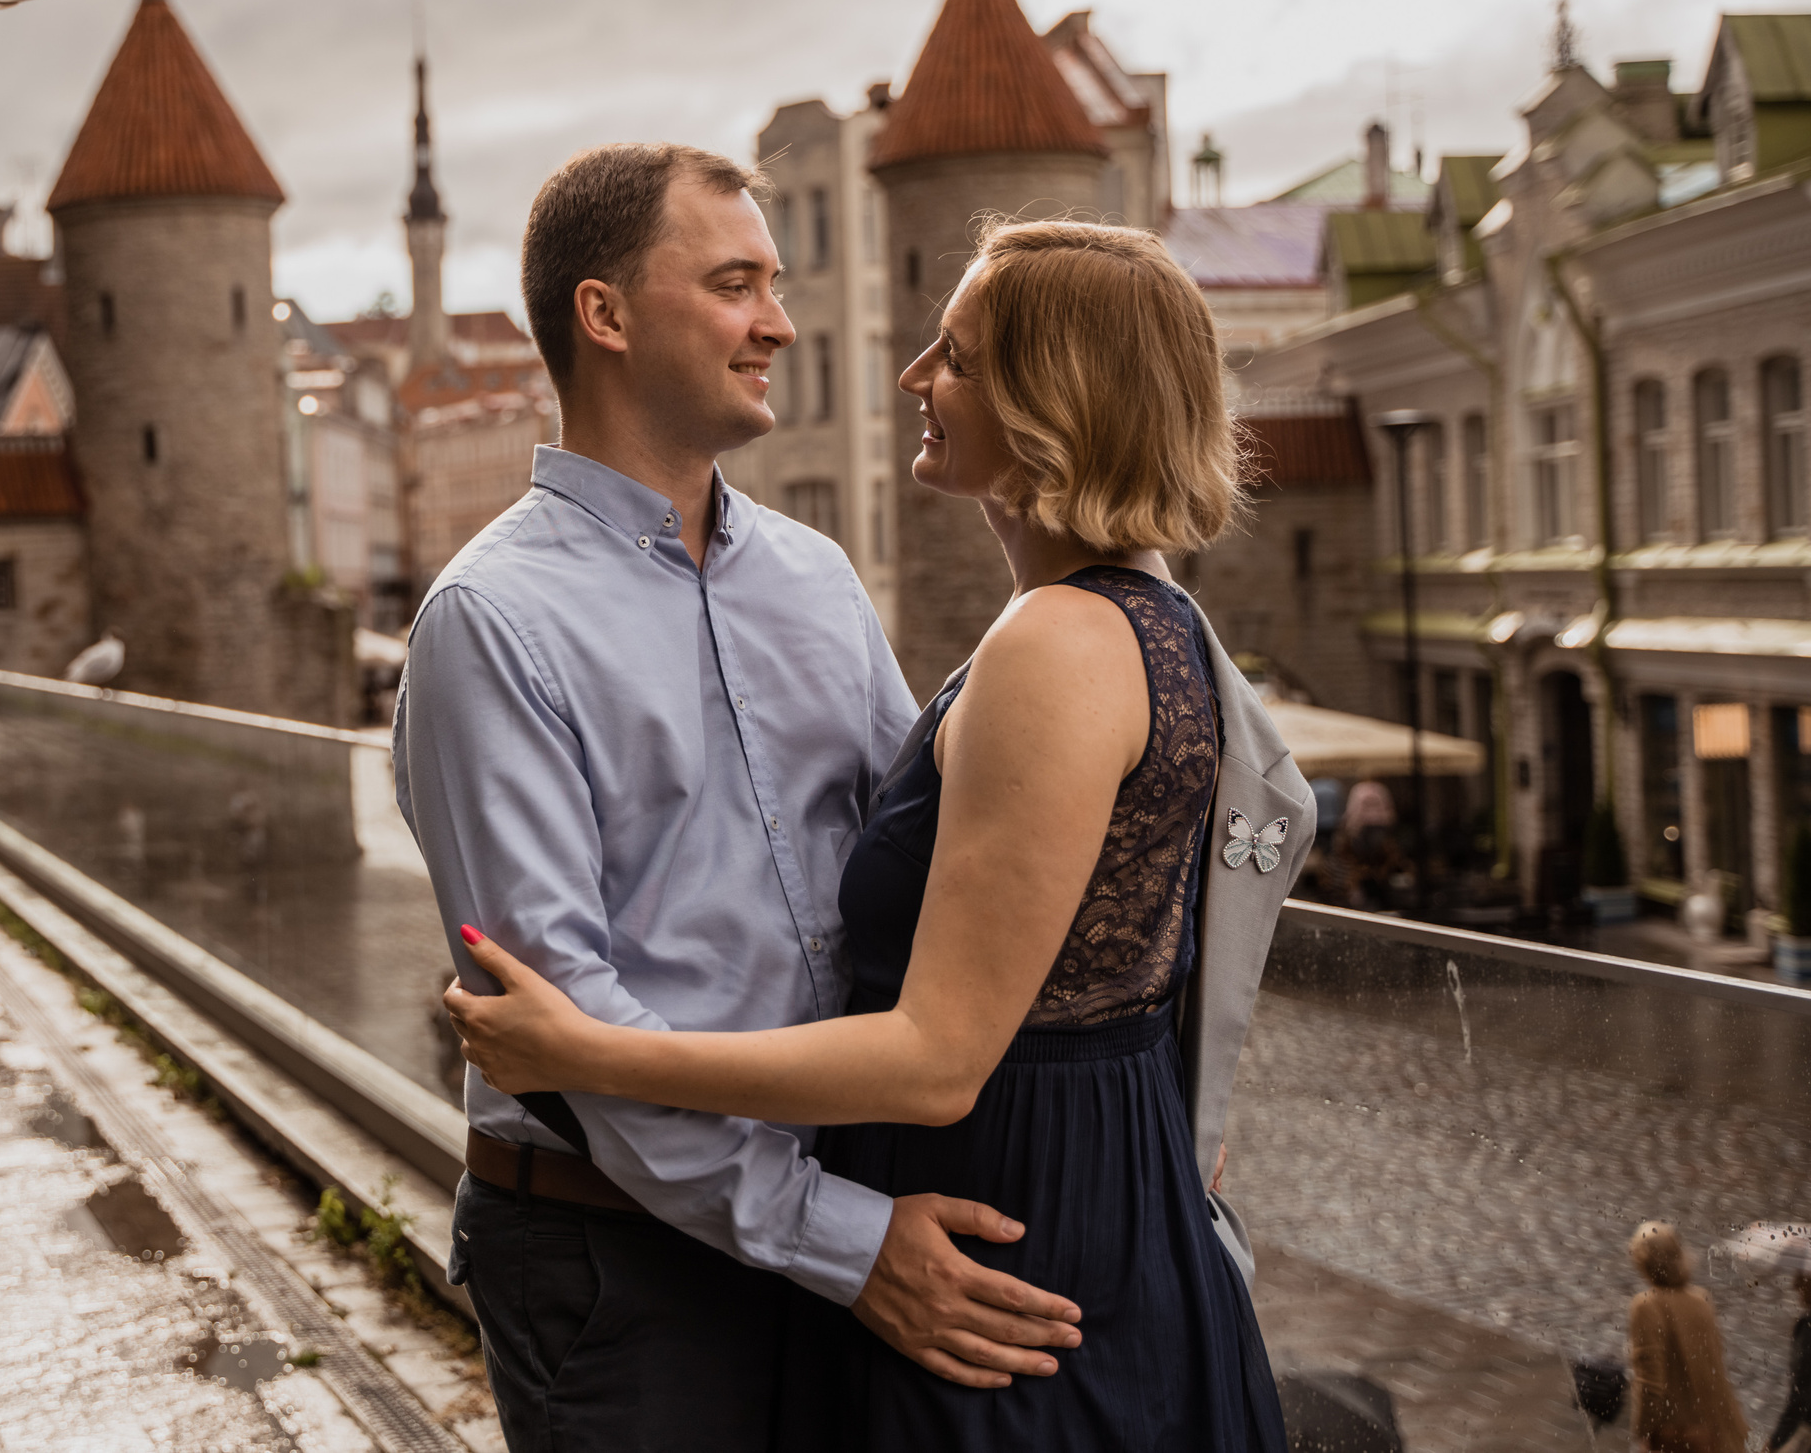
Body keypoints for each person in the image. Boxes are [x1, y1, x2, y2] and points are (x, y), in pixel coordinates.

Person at [447, 221, 1291, 1449]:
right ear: (604, 317)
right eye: (735, 284)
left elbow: (939, 1046)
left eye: (954, 354)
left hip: (996, 1214)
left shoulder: (1042, 642)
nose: (912, 378)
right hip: (927, 1208)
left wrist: (582, 1050)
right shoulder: (1150, 628)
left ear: (1049, 397)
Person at [395, 146, 1086, 1453]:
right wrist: (847, 1239)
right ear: (604, 316)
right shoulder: (489, 621)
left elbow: (929, 869)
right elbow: (558, 1020)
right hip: (619, 1258)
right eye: (733, 283)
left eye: (772, 282)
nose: (777, 319)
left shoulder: (817, 580)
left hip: (832, 1214)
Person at [1623, 1222, 1751, 1453]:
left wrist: (1641, 1433)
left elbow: (1650, 1384)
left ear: (1642, 1261)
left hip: (1677, 1436)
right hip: (1717, 1430)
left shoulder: (1646, 1305)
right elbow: (1715, 1365)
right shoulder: (1701, 1300)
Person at [1775, 1270, 1811, 1453]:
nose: (1794, 1285)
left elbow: (1802, 1391)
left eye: (1801, 1278)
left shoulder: (1807, 1327)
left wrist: (1777, 1441)